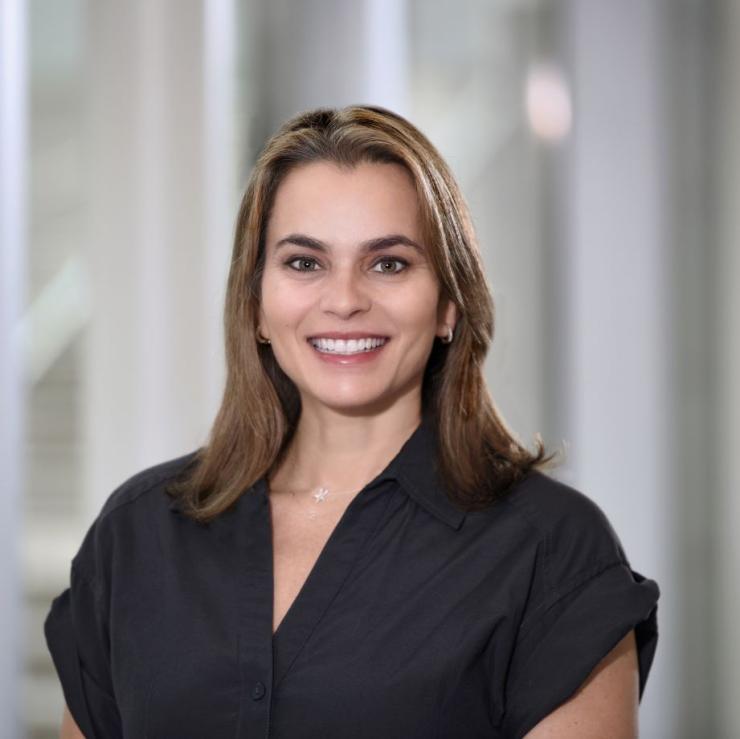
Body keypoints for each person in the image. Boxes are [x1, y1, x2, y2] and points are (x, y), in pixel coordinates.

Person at [45, 104, 659, 739]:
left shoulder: (551, 550)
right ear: (256, 304)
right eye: (304, 263)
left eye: (388, 263)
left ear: (449, 302)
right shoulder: (138, 533)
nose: (343, 300)